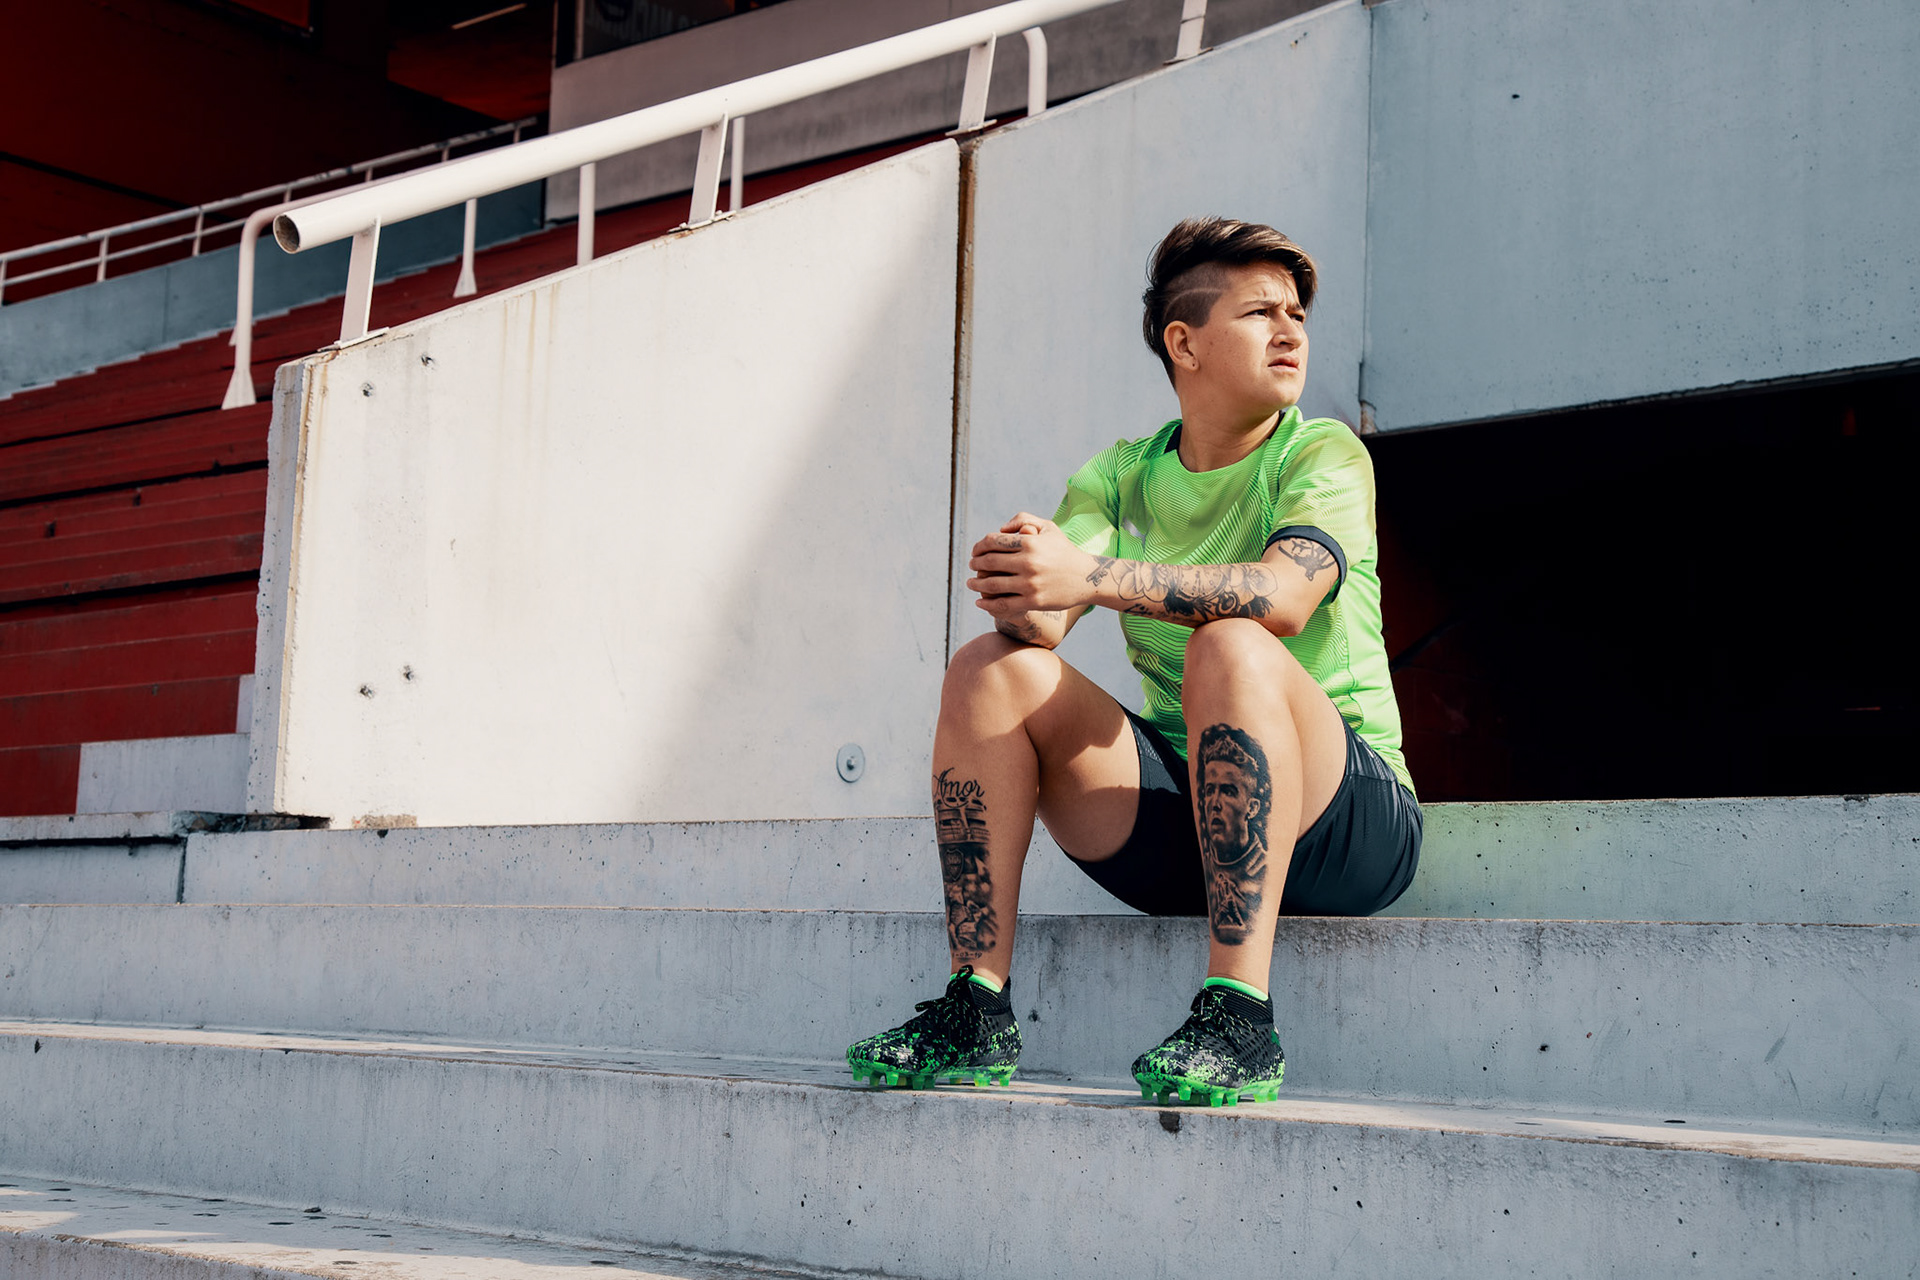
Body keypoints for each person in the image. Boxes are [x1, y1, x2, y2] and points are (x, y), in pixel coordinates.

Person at [847, 216, 1422, 1106]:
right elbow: (1046, 622)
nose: (1291, 331)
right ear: (1183, 343)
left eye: (1298, 314)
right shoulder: (1121, 476)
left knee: (1231, 638)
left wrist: (1091, 575)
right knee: (987, 669)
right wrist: (1024, 580)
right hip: (1193, 826)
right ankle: (975, 1006)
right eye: (1261, 312)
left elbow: (1285, 596)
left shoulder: (1321, 452)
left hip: (1346, 822)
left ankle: (1239, 1018)